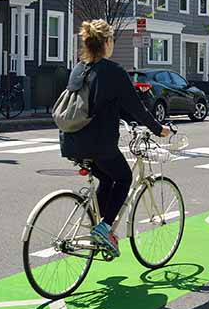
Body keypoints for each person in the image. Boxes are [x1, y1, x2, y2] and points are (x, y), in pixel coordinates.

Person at [60, 19, 173, 257]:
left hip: (71, 141)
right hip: (98, 143)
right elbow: (137, 108)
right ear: (108, 43)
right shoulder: (114, 72)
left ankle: (98, 227)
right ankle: (104, 228)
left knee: (106, 179)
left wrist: (125, 117)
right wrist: (158, 129)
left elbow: (100, 104)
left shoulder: (80, 68)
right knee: (124, 177)